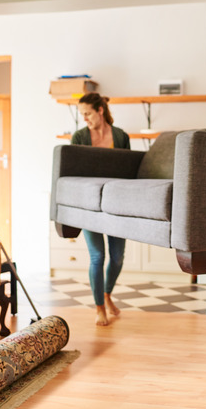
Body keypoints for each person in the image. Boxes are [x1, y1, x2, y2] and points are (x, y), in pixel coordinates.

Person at [71, 92, 131, 326]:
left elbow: (129, 169)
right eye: (82, 115)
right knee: (97, 257)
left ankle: (106, 294)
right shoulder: (79, 137)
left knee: (117, 258)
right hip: (89, 206)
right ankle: (99, 308)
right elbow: (73, 171)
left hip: (117, 204)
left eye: (87, 113)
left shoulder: (120, 136)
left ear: (100, 111)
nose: (84, 118)